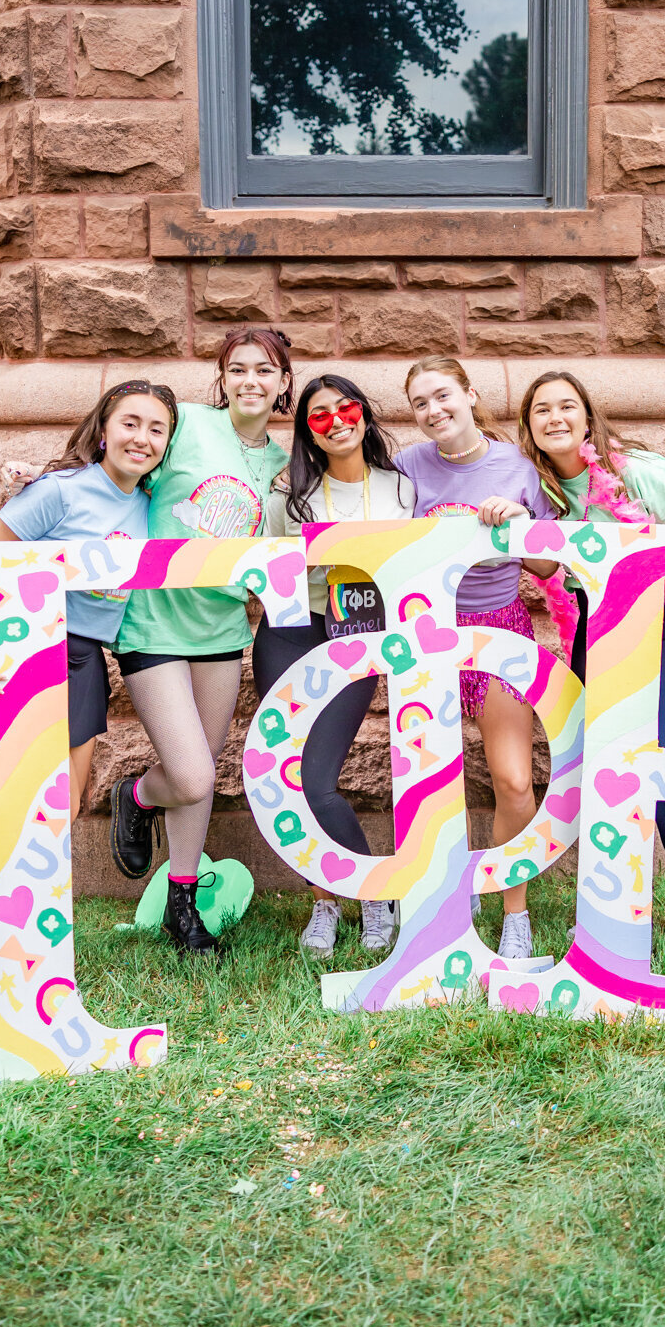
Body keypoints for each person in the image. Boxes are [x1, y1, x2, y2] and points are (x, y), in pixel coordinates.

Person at [518, 369, 665, 979]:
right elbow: (543, 568)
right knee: (608, 777)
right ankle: (612, 909)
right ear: (530, 427)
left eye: (567, 406)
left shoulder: (635, 470)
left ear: (588, 417)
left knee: (664, 776)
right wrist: (512, 518)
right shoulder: (540, 492)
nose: (556, 417)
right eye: (542, 410)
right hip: (596, 636)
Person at [0, 380, 178, 843]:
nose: (141, 438)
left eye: (156, 429)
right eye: (130, 423)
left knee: (64, 805)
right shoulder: (59, 491)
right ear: (103, 429)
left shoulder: (153, 507)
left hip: (85, 655)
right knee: (34, 795)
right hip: (24, 646)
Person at [107, 327, 294, 956]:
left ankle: (181, 904)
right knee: (187, 775)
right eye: (238, 369)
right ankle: (135, 796)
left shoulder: (284, 461)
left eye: (265, 371)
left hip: (222, 627)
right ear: (223, 378)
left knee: (204, 775)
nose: (251, 381)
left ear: (282, 382)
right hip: (153, 620)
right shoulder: (185, 423)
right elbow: (121, 464)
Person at [397, 356, 559, 962]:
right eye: (420, 403)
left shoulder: (516, 467)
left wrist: (520, 525)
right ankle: (446, 896)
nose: (434, 411)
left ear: (470, 395)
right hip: (426, 636)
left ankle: (512, 908)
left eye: (443, 396)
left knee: (515, 781)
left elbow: (548, 568)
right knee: (431, 783)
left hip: (498, 633)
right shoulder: (406, 466)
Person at [254, 374, 415, 958]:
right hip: (290, 633)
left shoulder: (402, 490)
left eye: (346, 408)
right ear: (308, 433)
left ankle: (373, 892)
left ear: (364, 414)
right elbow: (263, 569)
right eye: (319, 416)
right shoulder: (288, 494)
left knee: (316, 780)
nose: (337, 421)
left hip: (360, 633)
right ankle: (325, 901)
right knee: (288, 780)